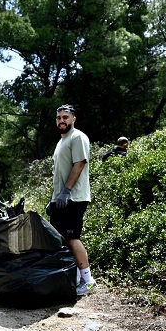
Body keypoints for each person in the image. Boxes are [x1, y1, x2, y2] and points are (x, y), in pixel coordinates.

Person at [48, 104, 97, 297]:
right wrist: (53, 199)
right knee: (61, 240)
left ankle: (88, 280)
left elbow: (80, 163)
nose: (62, 120)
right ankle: (75, 278)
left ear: (73, 119)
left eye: (65, 117)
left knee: (71, 237)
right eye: (59, 117)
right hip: (60, 199)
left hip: (74, 197)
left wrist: (66, 191)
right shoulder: (61, 142)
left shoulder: (78, 137)